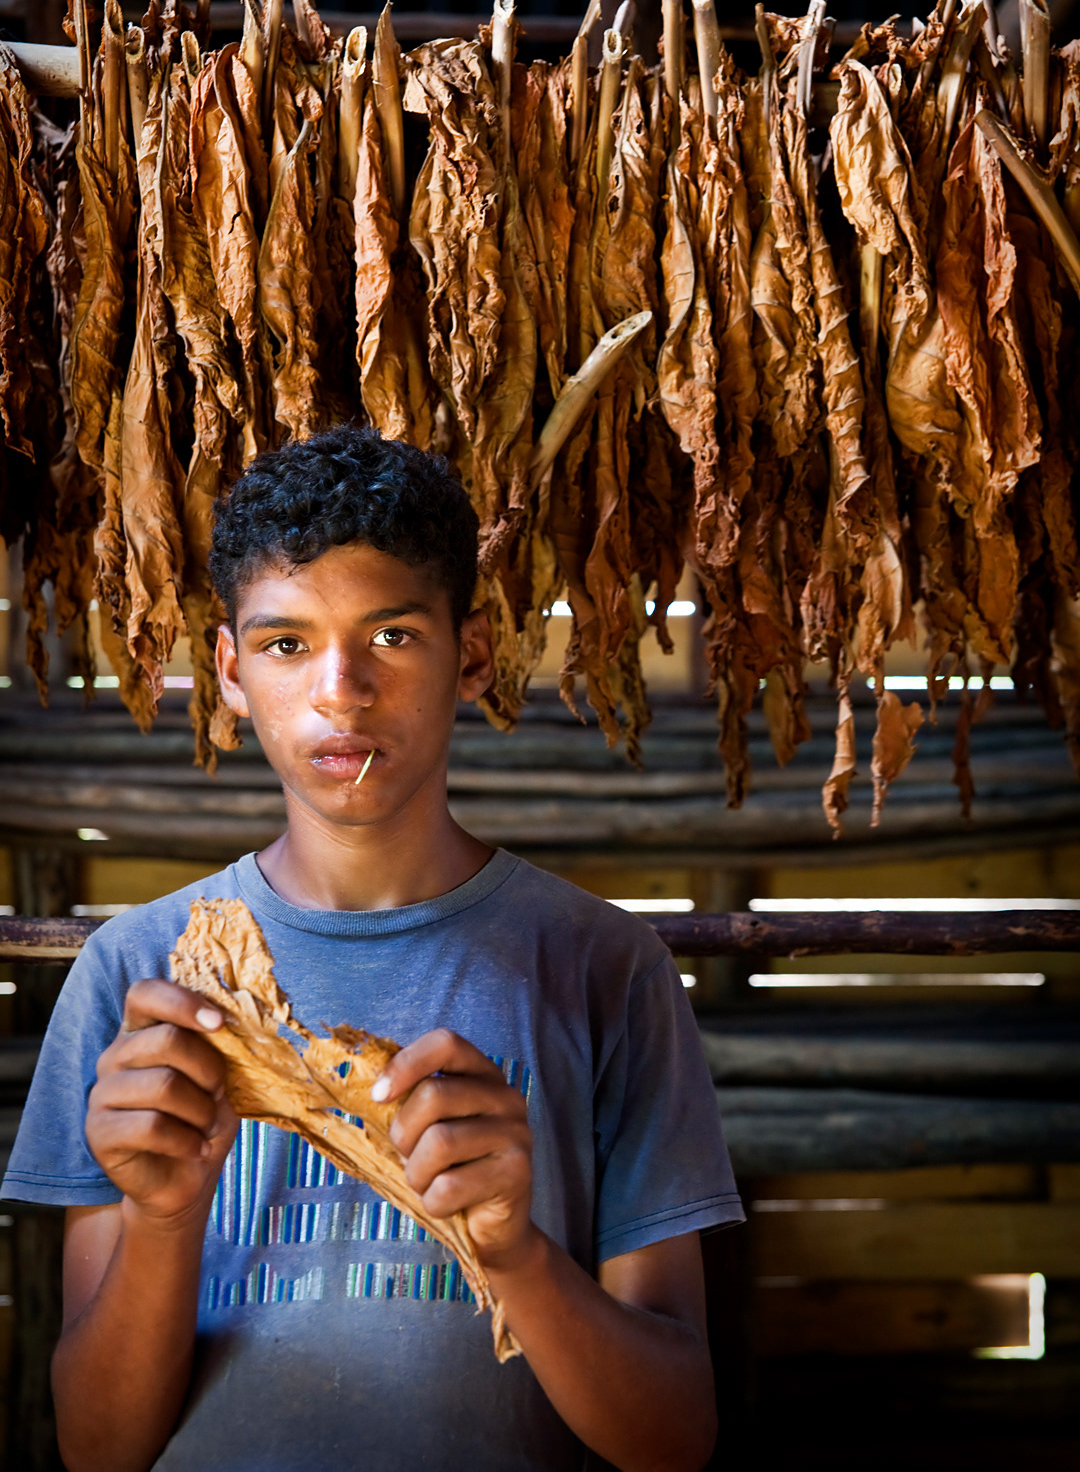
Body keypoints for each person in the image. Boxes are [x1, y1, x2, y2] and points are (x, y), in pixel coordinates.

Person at [2, 427, 743, 1472]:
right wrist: (165, 1217)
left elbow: (673, 1439)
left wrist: (513, 1252)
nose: (340, 690)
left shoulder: (601, 968)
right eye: (286, 643)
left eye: (391, 636)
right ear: (227, 669)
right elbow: (96, 1447)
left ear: (471, 654)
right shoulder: (139, 975)